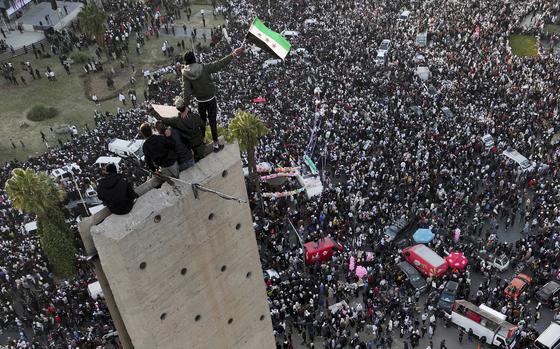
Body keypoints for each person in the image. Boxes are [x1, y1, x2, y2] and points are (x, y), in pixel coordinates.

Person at [181, 47, 243, 152]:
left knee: (202, 121)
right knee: (212, 122)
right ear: (194, 58)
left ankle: (203, 141)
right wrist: (233, 54)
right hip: (210, 99)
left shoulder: (185, 74)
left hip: (200, 101)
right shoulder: (203, 67)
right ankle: (215, 145)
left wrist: (185, 107)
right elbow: (219, 64)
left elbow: (186, 92)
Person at [155, 96, 207, 161]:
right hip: (199, 142)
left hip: (190, 146)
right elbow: (202, 125)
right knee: (204, 159)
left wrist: (153, 111)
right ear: (185, 106)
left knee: (195, 162)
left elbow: (162, 119)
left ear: (177, 109)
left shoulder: (176, 121)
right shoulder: (194, 116)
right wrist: (203, 135)